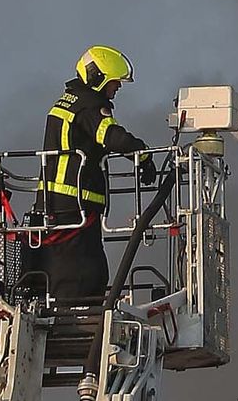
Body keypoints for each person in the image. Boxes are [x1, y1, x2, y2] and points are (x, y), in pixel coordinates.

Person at [25, 45, 153, 306]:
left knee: (78, 270)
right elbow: (112, 137)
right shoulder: (89, 105)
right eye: (114, 82)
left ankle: (75, 313)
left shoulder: (68, 102)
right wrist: (143, 156)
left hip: (60, 207)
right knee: (84, 275)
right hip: (74, 207)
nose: (117, 87)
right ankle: (76, 318)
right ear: (98, 78)